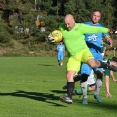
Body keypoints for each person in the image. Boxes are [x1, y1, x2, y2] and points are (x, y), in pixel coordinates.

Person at [51, 14, 117, 104]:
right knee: (69, 75)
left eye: (69, 24)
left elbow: (96, 29)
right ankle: (69, 98)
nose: (67, 26)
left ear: (73, 21)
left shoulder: (81, 27)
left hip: (83, 52)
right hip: (73, 57)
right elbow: (58, 35)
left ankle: (106, 65)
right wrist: (52, 37)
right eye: (65, 24)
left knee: (93, 64)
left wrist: (109, 30)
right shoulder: (62, 27)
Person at [76, 10, 115, 104]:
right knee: (84, 76)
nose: (96, 17)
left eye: (98, 16)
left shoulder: (101, 27)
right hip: (86, 54)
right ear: (91, 15)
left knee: (100, 74)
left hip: (97, 55)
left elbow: (106, 36)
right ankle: (84, 97)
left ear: (100, 18)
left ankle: (96, 94)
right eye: (94, 15)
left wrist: (109, 40)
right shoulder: (84, 25)